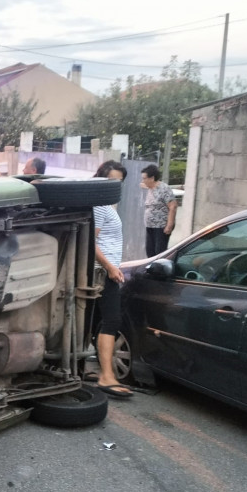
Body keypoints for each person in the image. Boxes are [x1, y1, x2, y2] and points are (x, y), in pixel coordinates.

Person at [90, 160, 133, 399]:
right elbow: (91, 242)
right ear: (101, 178)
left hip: (107, 269)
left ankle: (90, 370)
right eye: (112, 180)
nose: (116, 185)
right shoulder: (99, 204)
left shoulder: (107, 204)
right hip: (101, 271)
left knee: (95, 321)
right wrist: (109, 267)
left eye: (119, 181)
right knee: (112, 320)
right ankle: (106, 376)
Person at [141, 164, 177, 257]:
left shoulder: (164, 189)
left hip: (161, 226)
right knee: (150, 251)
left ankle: (159, 270)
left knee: (159, 252)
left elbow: (173, 206)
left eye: (144, 178)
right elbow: (143, 185)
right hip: (150, 226)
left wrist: (169, 225)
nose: (143, 181)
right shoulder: (151, 188)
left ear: (152, 178)